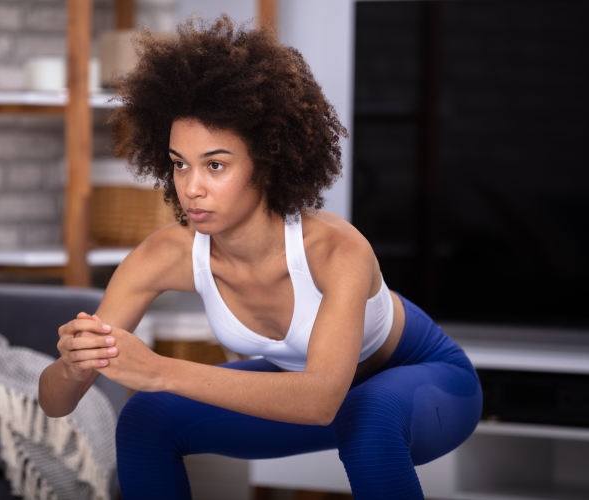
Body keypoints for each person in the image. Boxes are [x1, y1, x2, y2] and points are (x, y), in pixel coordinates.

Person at [38, 15, 482, 500]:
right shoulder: (164, 254)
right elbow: (55, 404)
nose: (191, 187)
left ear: (267, 161)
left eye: (216, 164)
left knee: (368, 416)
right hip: (319, 393)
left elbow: (319, 402)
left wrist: (159, 370)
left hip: (424, 383)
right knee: (147, 416)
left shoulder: (336, 250)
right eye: (179, 163)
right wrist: (72, 366)